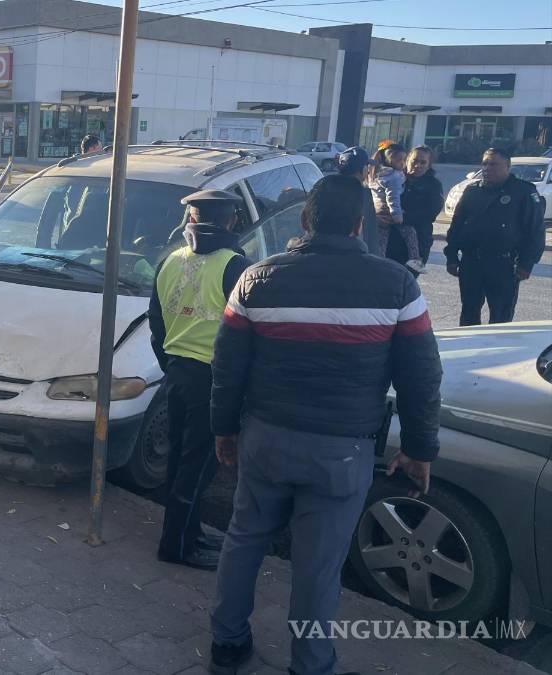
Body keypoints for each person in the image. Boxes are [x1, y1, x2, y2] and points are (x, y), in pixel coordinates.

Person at [208, 175, 442, 675]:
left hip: (265, 439)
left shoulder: (257, 278)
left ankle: (227, 645)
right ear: (360, 224)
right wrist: (420, 447)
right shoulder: (398, 284)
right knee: (318, 567)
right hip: (342, 453)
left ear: (305, 220)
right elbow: (421, 375)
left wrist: (224, 430)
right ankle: (311, 665)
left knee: (244, 538)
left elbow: (227, 368)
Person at [148, 189, 251, 571]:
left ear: (190, 218)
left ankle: (186, 532)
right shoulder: (237, 265)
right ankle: (175, 545)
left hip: (176, 374)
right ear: (231, 221)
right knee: (198, 467)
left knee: (179, 459)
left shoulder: (169, 260)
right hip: (213, 380)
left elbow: (156, 322)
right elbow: (246, 335)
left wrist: (170, 364)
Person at [445, 147, 546, 326]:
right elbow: (457, 226)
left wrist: (526, 263)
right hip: (472, 262)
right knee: (469, 313)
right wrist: (451, 256)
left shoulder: (522, 192)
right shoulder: (472, 190)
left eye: (493, 164)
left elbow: (535, 231)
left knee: (500, 318)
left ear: (507, 166)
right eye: (485, 163)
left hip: (504, 265)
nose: (487, 168)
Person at [371, 143, 424, 273]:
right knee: (410, 233)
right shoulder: (393, 177)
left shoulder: (376, 172)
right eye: (399, 160)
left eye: (404, 160)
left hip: (378, 211)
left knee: (381, 239)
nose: (402, 163)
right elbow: (393, 197)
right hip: (390, 211)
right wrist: (397, 215)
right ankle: (415, 260)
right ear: (389, 160)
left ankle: (378, 263)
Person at [389, 146, 443, 270]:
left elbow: (430, 213)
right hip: (392, 240)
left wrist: (402, 218)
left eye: (423, 162)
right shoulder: (396, 179)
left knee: (408, 281)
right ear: (407, 161)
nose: (417, 165)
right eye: (414, 161)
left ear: (429, 165)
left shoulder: (433, 185)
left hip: (419, 241)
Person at [335, 146, 379, 255]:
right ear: (363, 169)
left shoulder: (328, 188)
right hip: (356, 256)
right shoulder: (362, 193)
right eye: (367, 166)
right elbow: (370, 234)